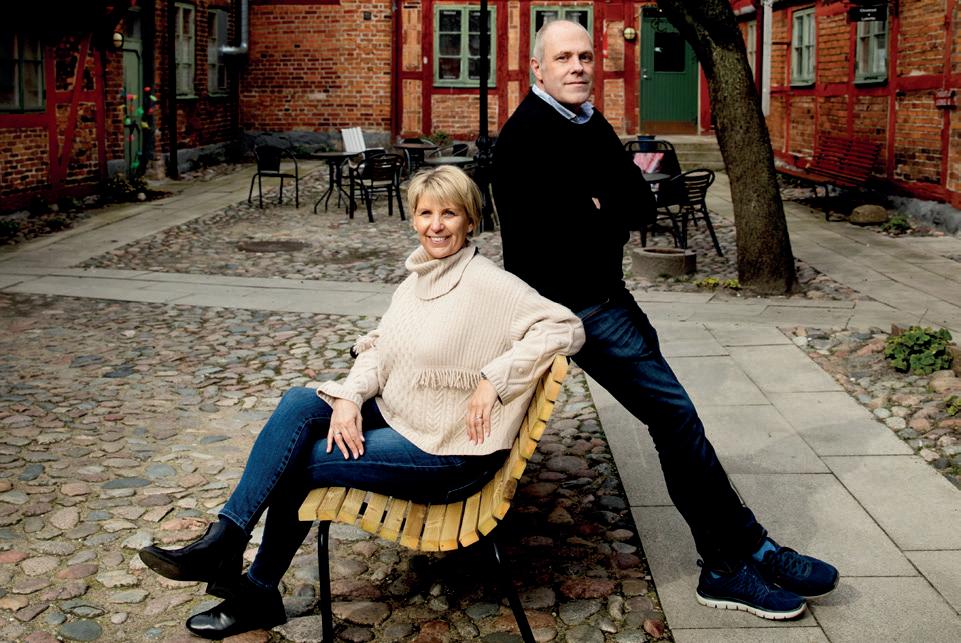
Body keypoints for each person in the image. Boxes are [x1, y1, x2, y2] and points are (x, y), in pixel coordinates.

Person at [138, 166, 585, 639]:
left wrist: (494, 380)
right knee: (299, 403)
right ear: (413, 219)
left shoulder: (489, 283)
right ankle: (225, 539)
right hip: (410, 416)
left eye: (449, 214)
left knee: (301, 461)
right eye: (425, 213)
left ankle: (256, 590)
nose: (436, 225)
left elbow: (566, 327)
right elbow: (383, 349)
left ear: (470, 220)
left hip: (449, 450)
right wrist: (350, 398)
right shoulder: (418, 279)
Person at [492, 19, 838, 621]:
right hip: (577, 308)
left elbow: (640, 204)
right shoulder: (527, 138)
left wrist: (598, 208)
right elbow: (550, 246)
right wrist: (603, 208)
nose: (577, 67)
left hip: (608, 296)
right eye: (563, 58)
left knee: (675, 422)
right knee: (676, 419)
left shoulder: (588, 122)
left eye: (585, 57)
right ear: (537, 70)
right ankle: (727, 564)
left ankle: (749, 549)